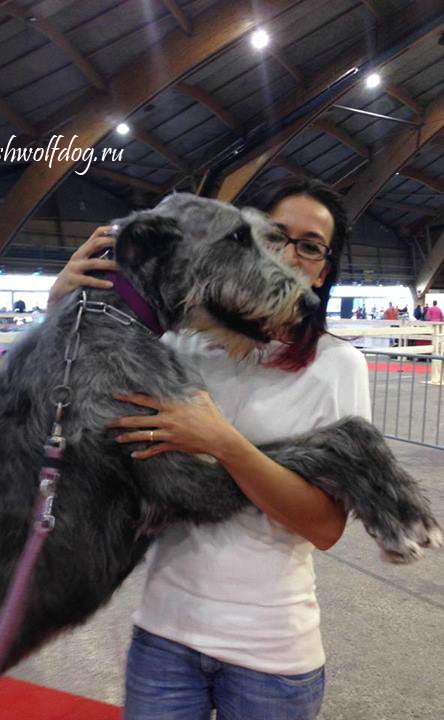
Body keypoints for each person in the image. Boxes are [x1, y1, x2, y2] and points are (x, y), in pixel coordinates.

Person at [47, 178, 371, 720]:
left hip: (269, 654)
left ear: (324, 268)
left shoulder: (337, 367)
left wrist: (221, 442)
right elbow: (68, 409)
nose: (289, 256)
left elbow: (325, 526)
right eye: (273, 237)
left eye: (310, 246)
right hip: (163, 637)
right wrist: (62, 305)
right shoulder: (180, 343)